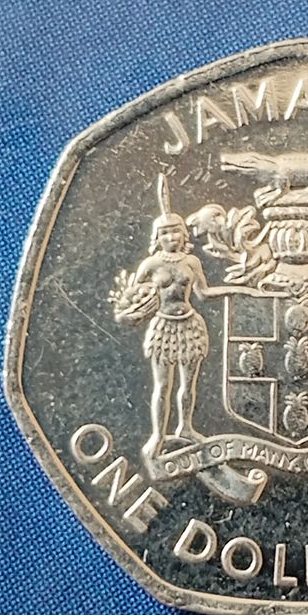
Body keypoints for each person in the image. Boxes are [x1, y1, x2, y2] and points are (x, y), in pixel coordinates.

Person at [112, 175, 211, 460]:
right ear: (157, 238)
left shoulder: (192, 262)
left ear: (184, 235)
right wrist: (127, 312)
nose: (171, 238)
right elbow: (132, 296)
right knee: (163, 386)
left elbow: (204, 293)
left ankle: (186, 427)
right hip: (163, 328)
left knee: (188, 385)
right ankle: (157, 435)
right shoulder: (150, 264)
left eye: (176, 232)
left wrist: (241, 290)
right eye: (165, 234)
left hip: (190, 325)